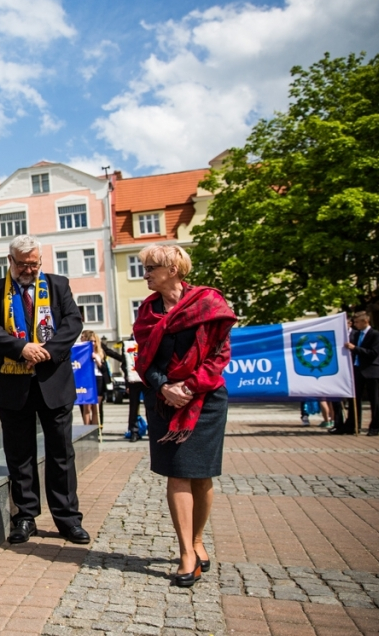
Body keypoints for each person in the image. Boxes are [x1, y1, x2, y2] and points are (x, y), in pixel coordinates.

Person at [132, 244, 236, 587]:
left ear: (173, 270)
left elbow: (219, 354)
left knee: (201, 476)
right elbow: (143, 361)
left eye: (150, 268)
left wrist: (189, 388)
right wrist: (165, 388)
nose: (144, 273)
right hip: (163, 400)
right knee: (177, 473)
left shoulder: (208, 302)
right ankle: (186, 554)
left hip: (205, 399)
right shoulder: (147, 311)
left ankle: (197, 540)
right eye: (144, 267)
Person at [0, 235, 90, 546]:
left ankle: (68, 518)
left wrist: (47, 350)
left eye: (34, 264)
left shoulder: (58, 285)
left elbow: (72, 322)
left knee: (61, 453)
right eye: (23, 264)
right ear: (10, 262)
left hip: (53, 381)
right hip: (13, 385)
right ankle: (24, 516)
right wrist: (21, 348)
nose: (29, 269)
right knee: (19, 454)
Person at [336, 312, 379, 436]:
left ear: (365, 321)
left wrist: (354, 348)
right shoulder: (356, 335)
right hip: (357, 370)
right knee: (354, 399)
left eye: (357, 322)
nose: (355, 324)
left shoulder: (375, 334)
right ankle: (352, 425)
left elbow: (373, 353)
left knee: (374, 400)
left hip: (371, 371)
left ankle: (375, 426)